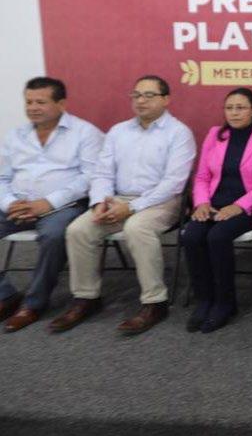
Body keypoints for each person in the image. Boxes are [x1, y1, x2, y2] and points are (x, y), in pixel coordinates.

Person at [51, 75, 196, 335]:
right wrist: (99, 202)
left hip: (162, 201)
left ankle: (155, 302)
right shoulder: (118, 131)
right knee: (78, 230)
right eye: (136, 95)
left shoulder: (179, 133)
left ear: (166, 99)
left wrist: (133, 207)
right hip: (117, 199)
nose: (141, 100)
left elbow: (173, 183)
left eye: (149, 95)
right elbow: (102, 172)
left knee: (137, 228)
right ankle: (86, 298)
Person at [0, 77, 103, 332]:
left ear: (61, 104)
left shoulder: (85, 133)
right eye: (29, 102)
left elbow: (90, 177)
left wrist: (48, 203)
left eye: (40, 102)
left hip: (64, 205)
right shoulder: (15, 135)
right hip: (18, 204)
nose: (33, 108)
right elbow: (2, 177)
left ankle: (33, 304)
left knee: (54, 235)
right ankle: (5, 295)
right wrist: (10, 203)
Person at [180, 88, 252, 333]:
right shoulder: (216, 134)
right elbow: (202, 176)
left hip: (249, 206)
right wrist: (201, 203)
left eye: (241, 108)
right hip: (212, 203)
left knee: (217, 236)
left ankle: (225, 303)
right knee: (191, 236)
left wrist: (239, 206)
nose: (234, 113)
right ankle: (205, 300)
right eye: (229, 108)